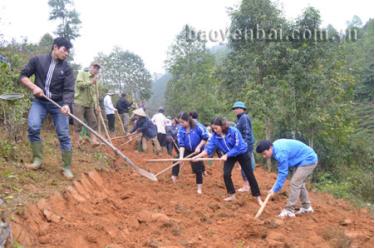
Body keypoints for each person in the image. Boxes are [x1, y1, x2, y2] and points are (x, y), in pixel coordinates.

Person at [19, 37, 75, 179]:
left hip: (59, 105)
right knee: (33, 126)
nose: (66, 53)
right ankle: (37, 160)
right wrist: (34, 87)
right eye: (64, 50)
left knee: (63, 133)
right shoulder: (37, 60)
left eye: (68, 51)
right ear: (55, 47)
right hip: (40, 101)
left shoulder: (67, 68)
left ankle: (67, 167)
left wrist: (67, 104)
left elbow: (69, 89)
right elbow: (22, 76)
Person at [193, 117, 263, 205]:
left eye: (216, 128)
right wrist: (198, 157)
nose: (215, 130)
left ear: (222, 126)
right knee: (226, 174)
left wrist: (226, 155)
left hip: (241, 153)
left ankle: (257, 197)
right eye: (213, 128)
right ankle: (232, 195)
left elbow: (238, 147)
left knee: (249, 175)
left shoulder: (234, 131)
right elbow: (208, 149)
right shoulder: (214, 137)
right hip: (229, 156)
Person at [256, 139, 318, 218]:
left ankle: (289, 210)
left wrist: (274, 189)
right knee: (299, 183)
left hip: (309, 160)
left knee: (295, 182)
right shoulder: (276, 148)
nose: (264, 156)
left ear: (270, 147)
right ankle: (307, 207)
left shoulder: (281, 153)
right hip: (302, 159)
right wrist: (274, 188)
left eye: (264, 153)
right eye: (262, 154)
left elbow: (283, 174)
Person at [172, 112, 209, 194]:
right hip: (187, 149)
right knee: (176, 159)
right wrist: (181, 157)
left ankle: (199, 188)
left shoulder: (198, 126)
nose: (181, 124)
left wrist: (199, 147)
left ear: (188, 120)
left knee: (198, 168)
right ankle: (173, 178)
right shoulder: (181, 129)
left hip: (197, 149)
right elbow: (181, 144)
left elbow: (205, 137)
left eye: (182, 122)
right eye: (180, 122)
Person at [73, 63, 101, 146]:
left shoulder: (96, 81)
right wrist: (91, 82)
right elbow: (79, 85)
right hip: (79, 102)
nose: (96, 70)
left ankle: (94, 141)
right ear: (90, 67)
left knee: (93, 122)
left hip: (89, 105)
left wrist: (97, 105)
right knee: (79, 122)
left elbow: (95, 94)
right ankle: (77, 142)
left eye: (97, 69)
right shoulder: (82, 73)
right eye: (94, 67)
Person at [232, 101, 256, 192]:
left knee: (246, 165)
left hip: (246, 146)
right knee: (246, 165)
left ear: (243, 109)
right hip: (243, 146)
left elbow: (246, 132)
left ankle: (247, 186)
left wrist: (245, 145)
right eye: (234, 108)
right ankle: (247, 185)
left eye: (238, 108)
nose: (236, 110)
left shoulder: (244, 118)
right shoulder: (239, 119)